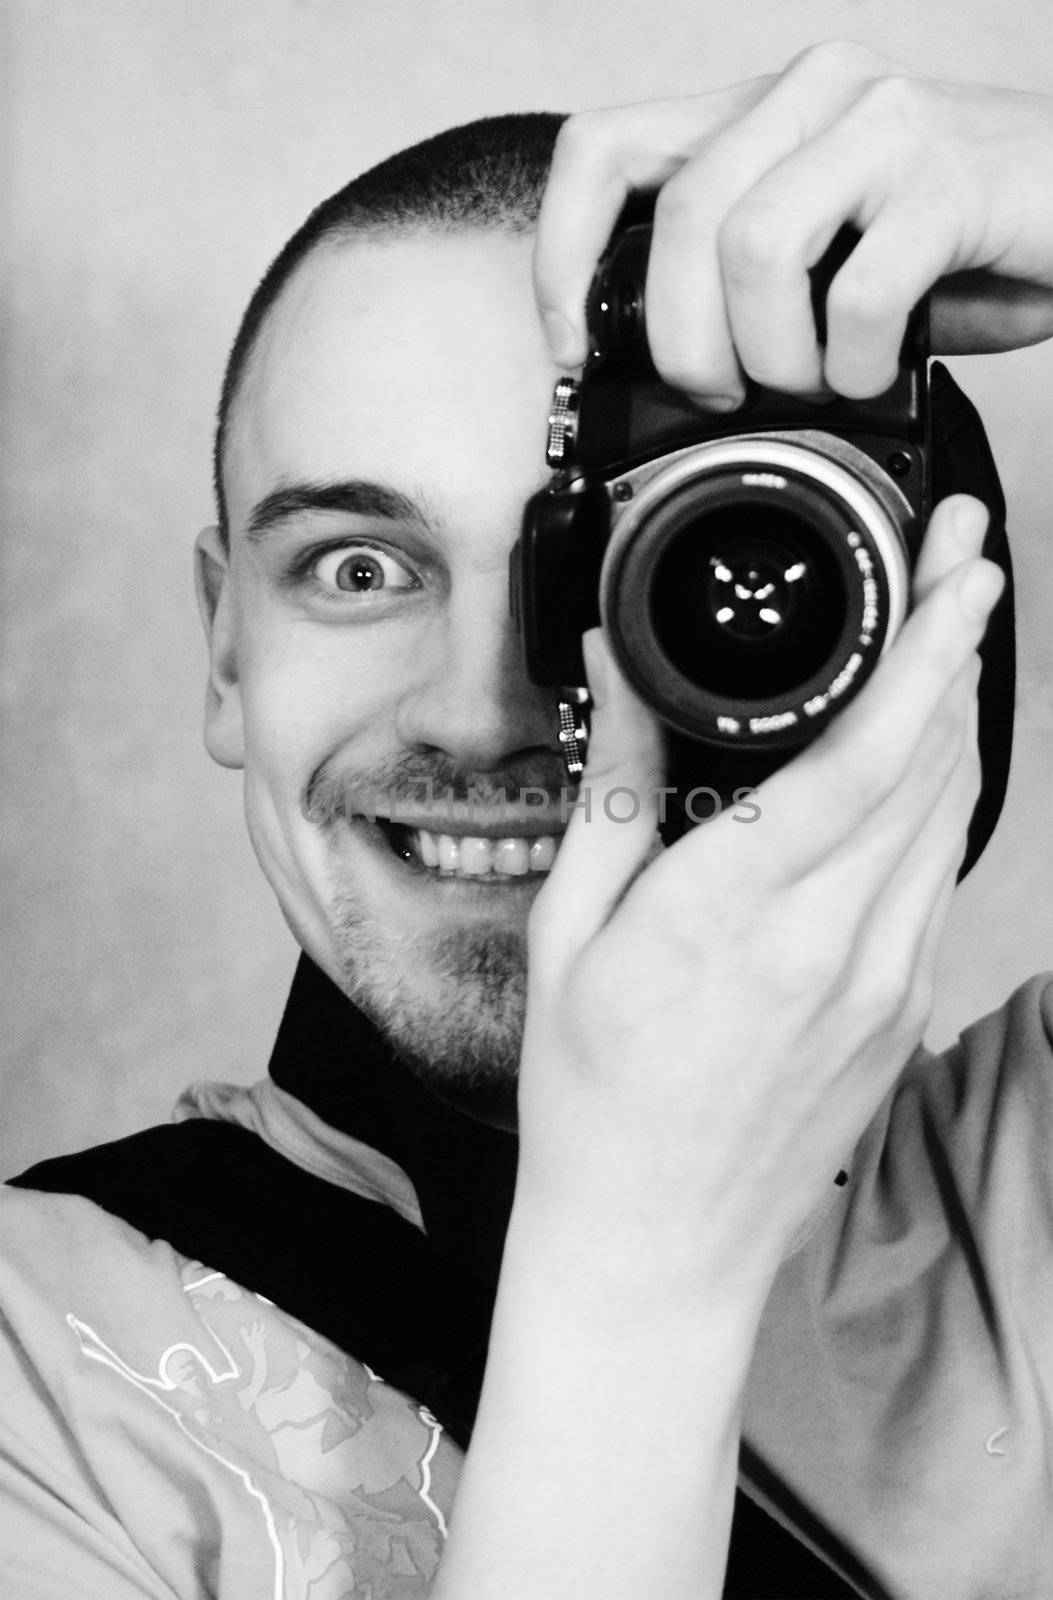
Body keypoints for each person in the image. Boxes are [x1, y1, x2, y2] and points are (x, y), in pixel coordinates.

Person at [3, 40, 1053, 1600]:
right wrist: (635, 1278)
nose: (484, 707)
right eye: (358, 567)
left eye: (634, 568)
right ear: (226, 650)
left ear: (913, 630)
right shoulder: (38, 1374)